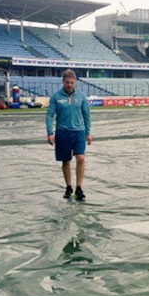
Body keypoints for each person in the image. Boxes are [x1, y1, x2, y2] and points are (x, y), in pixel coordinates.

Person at [46, 69, 92, 200]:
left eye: (72, 82)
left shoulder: (81, 96)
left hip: (78, 132)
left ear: (75, 82)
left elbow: (86, 115)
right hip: (62, 133)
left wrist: (88, 132)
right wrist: (50, 132)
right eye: (67, 82)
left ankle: (79, 187)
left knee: (81, 158)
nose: (69, 85)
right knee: (66, 161)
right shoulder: (56, 97)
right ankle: (68, 187)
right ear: (63, 82)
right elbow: (49, 115)